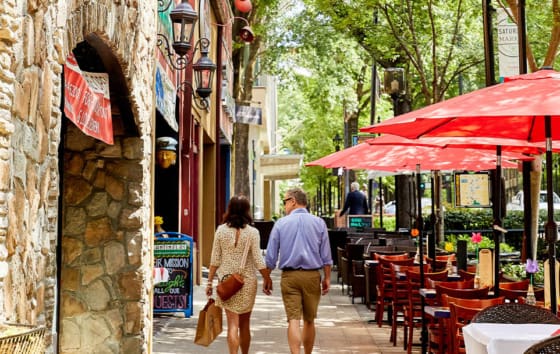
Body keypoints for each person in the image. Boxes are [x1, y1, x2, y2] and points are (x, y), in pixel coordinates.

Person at [264, 187, 332, 354]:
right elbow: (326, 255)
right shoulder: (319, 223)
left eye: (285, 201)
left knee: (293, 320)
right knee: (309, 320)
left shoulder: (281, 223)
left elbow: (271, 256)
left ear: (293, 201)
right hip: (312, 276)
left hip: (290, 277)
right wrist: (327, 278)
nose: (285, 206)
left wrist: (267, 278)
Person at [206, 195, 272, 354]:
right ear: (247, 211)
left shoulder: (221, 231)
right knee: (245, 324)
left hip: (227, 283)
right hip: (247, 282)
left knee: (232, 325)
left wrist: (209, 283)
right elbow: (257, 258)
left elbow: (215, 259)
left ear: (230, 209)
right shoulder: (253, 232)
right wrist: (266, 277)